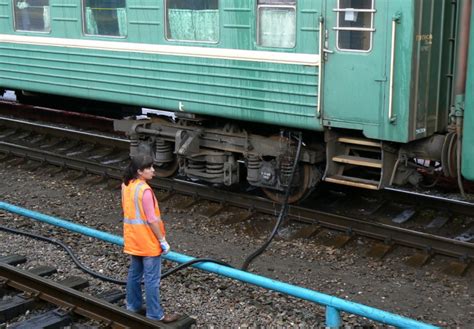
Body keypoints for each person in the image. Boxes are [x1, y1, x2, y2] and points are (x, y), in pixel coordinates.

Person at [122, 154, 179, 323]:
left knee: (134, 274)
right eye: (149, 168)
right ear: (140, 172)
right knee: (152, 280)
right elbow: (152, 220)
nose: (153, 171)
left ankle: (133, 306)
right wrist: (162, 240)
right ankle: (155, 315)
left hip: (133, 238)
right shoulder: (145, 190)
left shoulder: (127, 185)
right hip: (148, 241)